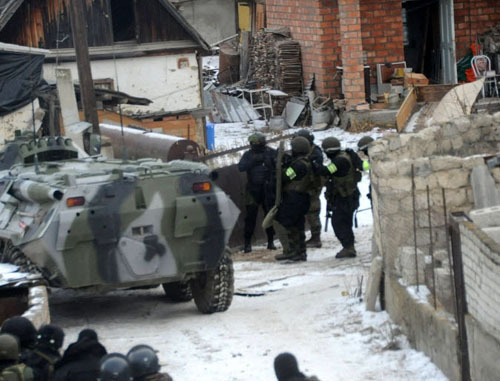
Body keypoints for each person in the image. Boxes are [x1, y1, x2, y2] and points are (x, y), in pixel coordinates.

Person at [321, 137, 363, 258]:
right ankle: (349, 246)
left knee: (339, 222)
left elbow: (327, 171)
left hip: (345, 197)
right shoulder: (345, 156)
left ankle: (348, 247)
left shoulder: (340, 161)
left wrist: (315, 165)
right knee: (345, 222)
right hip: (349, 196)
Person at [274, 136, 314, 262]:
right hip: (302, 198)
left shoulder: (298, 165)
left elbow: (286, 176)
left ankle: (292, 251)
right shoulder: (306, 162)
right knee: (298, 226)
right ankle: (300, 252)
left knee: (288, 225)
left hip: (294, 198)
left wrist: (281, 166)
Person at [238, 132, 277, 253]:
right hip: (253, 189)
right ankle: (247, 244)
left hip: (267, 188)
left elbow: (278, 165)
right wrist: (253, 162)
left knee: (269, 216)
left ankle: (271, 241)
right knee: (250, 218)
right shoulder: (248, 155)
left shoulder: (270, 152)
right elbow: (241, 167)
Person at [296, 129, 324, 248]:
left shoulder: (315, 152)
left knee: (313, 211)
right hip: (305, 185)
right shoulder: (308, 151)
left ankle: (316, 237)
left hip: (312, 186)